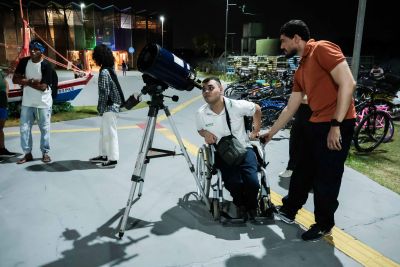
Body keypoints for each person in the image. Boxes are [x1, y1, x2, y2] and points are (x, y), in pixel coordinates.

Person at [261, 20, 356, 241]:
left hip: (337, 122)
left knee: (326, 177)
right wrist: (271, 133)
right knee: (302, 169)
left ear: (297, 38)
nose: (281, 46)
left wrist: (336, 125)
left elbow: (348, 83)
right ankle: (289, 209)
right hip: (316, 122)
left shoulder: (321, 49)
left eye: (284, 41)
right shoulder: (301, 69)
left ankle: (324, 224)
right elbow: (290, 106)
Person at [196, 77, 262, 220]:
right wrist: (205, 133)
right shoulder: (201, 113)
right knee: (233, 182)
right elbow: (200, 129)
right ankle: (240, 204)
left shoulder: (236, 105)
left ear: (221, 89)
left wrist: (255, 131)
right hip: (222, 152)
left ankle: (252, 206)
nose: (206, 91)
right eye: (204, 89)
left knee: (253, 182)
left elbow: (257, 109)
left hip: (244, 148)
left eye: (211, 88)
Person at [12, 39, 55, 164]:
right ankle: (27, 153)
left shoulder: (47, 66)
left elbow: (43, 87)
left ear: (42, 52)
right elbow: (15, 79)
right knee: (24, 128)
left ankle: (45, 153)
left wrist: (25, 81)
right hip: (27, 101)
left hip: (43, 102)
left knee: (45, 128)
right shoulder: (24, 62)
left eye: (36, 49)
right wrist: (31, 82)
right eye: (31, 48)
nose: (32, 51)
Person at [89, 44, 123, 168]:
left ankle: (113, 159)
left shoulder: (104, 72)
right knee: (104, 132)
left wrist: (100, 109)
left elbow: (104, 93)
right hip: (113, 105)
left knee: (110, 133)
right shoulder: (110, 69)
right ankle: (103, 155)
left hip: (110, 107)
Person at [278, 95, 312, 178]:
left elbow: (309, 99)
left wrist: (297, 97)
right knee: (294, 145)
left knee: (309, 149)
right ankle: (291, 168)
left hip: (313, 121)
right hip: (299, 120)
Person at [0, 69, 16, 157]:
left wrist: (6, 94)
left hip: (2, 101)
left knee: (0, 127)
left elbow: (5, 82)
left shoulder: (0, 72)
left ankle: (2, 149)